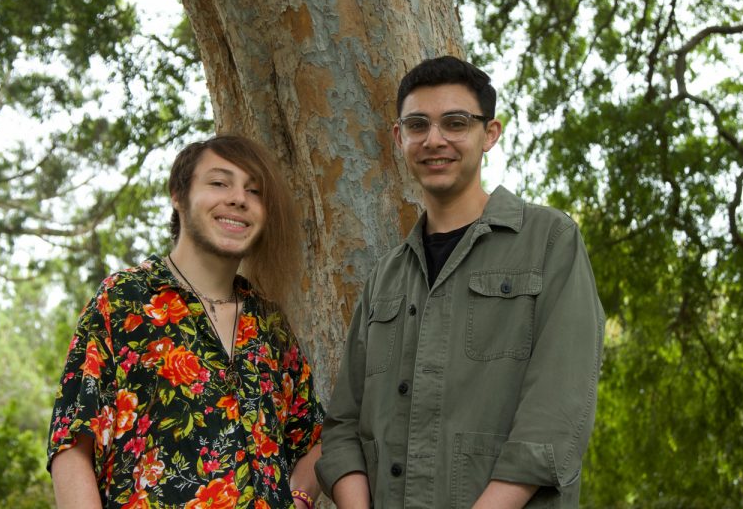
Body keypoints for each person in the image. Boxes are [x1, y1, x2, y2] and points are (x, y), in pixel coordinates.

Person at [316, 56, 604, 508]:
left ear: (489, 134)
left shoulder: (549, 241)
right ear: (399, 137)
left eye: (455, 123)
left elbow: (557, 412)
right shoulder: (385, 279)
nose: (434, 140)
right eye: (417, 125)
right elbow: (342, 428)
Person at [47, 135, 324, 509]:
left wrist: (301, 497)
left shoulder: (270, 323)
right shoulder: (125, 299)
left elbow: (317, 438)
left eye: (254, 190)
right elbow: (72, 442)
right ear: (178, 195)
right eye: (219, 183)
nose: (239, 198)